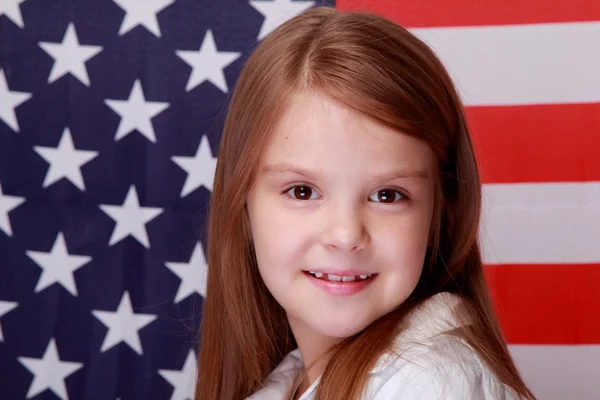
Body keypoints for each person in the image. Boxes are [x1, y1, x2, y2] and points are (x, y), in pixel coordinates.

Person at [195, 6, 536, 400]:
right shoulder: (289, 378)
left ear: (441, 212)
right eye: (303, 191)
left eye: (387, 195)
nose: (345, 234)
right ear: (243, 205)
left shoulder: (432, 384)